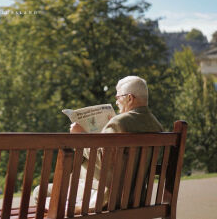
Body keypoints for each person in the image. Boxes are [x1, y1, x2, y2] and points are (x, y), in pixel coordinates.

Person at [33, 75, 163, 213]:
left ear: (130, 98)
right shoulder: (157, 126)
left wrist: (81, 137)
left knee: (39, 191)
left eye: (118, 97)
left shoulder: (119, 123)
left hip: (106, 198)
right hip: (137, 198)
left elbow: (103, 159)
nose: (117, 102)